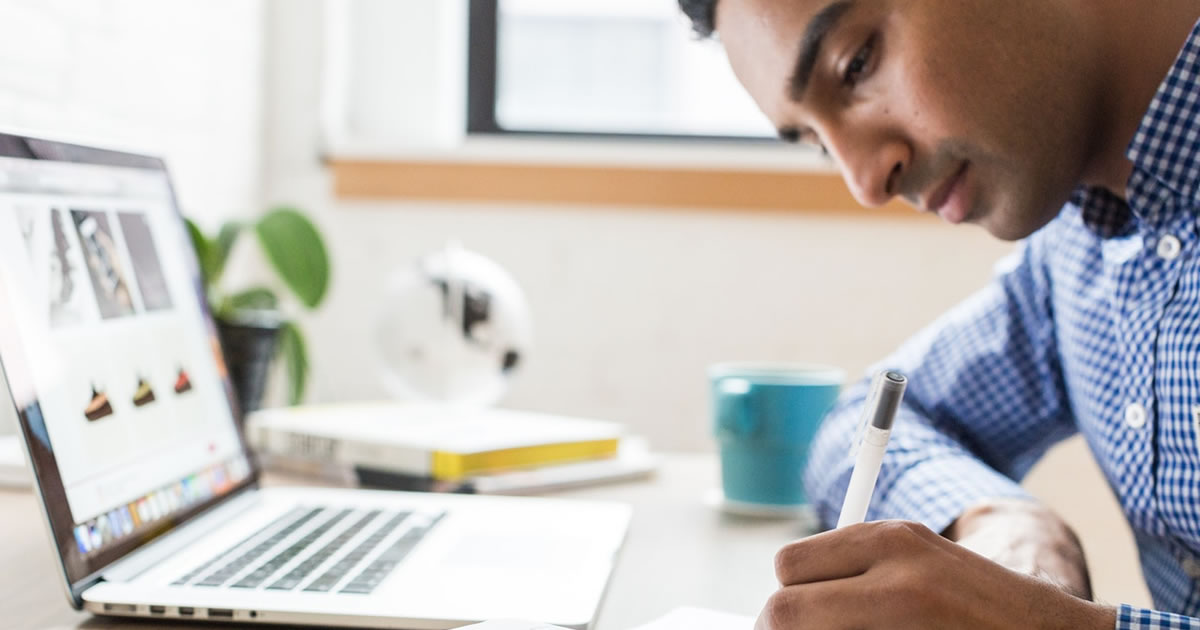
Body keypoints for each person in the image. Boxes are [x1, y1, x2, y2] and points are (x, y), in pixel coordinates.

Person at [676, 0, 1200, 628]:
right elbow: (860, 425)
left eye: (856, 64)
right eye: (818, 142)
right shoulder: (1076, 249)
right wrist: (1004, 524)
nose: (866, 184)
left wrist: (1058, 626)